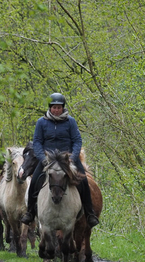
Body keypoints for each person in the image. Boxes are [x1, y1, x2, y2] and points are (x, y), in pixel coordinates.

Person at [20, 92, 99, 228]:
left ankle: (90, 213)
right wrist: (43, 159)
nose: (56, 110)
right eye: (54, 107)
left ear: (63, 108)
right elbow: (37, 142)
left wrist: (73, 158)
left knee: (84, 181)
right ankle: (30, 213)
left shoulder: (71, 122)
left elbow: (77, 140)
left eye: (59, 107)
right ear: (50, 108)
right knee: (34, 181)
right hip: (47, 160)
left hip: (67, 159)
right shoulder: (41, 122)